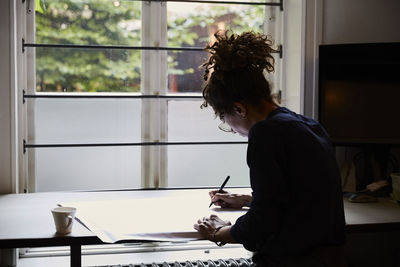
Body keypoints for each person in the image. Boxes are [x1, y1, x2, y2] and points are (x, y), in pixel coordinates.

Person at [193, 31, 346, 267]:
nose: (232, 130)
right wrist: (247, 200)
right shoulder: (309, 125)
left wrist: (217, 232)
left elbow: (261, 224)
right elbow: (302, 201)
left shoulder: (265, 133)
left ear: (239, 109)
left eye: (225, 119)